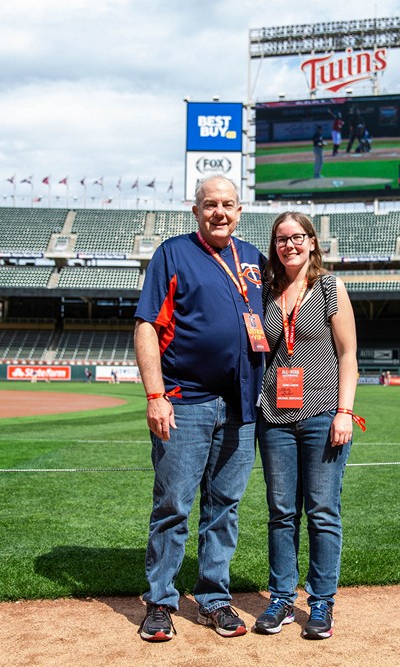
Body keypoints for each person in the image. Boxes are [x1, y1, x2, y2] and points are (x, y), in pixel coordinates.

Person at [134, 175, 267, 642]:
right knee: (173, 506)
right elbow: (147, 325)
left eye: (228, 204)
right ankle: (160, 602)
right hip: (183, 401)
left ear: (240, 209)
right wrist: (155, 396)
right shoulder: (173, 253)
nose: (220, 213)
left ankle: (214, 599)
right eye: (211, 204)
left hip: (240, 404)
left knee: (224, 507)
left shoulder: (253, 258)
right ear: (196, 210)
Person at [253, 211, 360, 640]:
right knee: (281, 514)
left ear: (312, 242)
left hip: (321, 414)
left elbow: (349, 355)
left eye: (298, 237)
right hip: (274, 419)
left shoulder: (330, 287)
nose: (289, 245)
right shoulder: (264, 290)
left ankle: (320, 604)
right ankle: (280, 598)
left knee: (321, 511)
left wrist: (345, 412)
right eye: (281, 238)